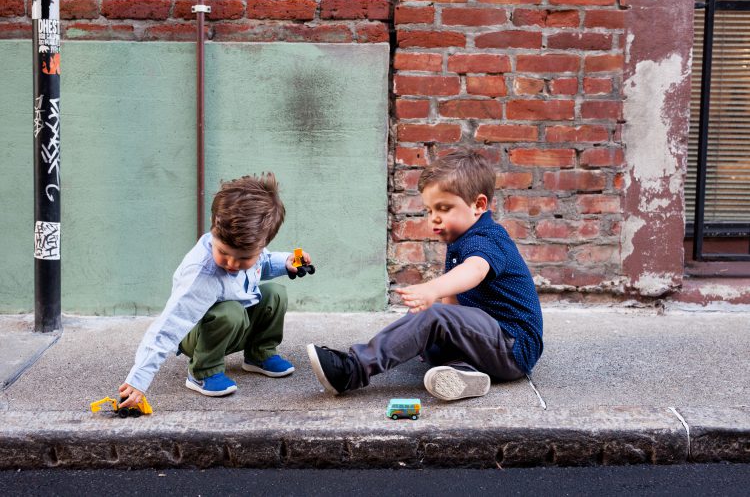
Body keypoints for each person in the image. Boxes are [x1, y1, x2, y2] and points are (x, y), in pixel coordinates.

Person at [307, 149, 543, 401]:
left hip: (514, 346)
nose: (434, 219)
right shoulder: (460, 241)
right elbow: (454, 304)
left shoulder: (487, 239)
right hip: (490, 343)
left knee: (432, 316)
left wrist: (432, 290)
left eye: (444, 208)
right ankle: (467, 374)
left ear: (479, 205)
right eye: (429, 211)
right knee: (425, 320)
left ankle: (352, 370)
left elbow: (474, 270)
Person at [119, 173, 310, 407]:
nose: (232, 264)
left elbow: (262, 265)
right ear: (214, 230)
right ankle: (202, 372)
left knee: (275, 294)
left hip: (234, 326)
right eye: (224, 253)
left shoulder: (255, 253)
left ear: (262, 246)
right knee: (231, 311)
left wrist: (287, 262)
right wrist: (139, 380)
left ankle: (259, 354)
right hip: (195, 332)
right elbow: (168, 326)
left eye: (243, 258)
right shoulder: (201, 274)